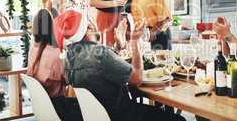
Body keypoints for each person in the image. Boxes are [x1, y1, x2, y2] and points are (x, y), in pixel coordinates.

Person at [53, 9, 186, 121]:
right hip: (120, 115)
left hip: (96, 115)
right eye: (90, 21)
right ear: (87, 28)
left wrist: (118, 46)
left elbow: (100, 69)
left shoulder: (69, 56)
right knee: (178, 119)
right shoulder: (100, 54)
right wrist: (134, 42)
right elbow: (137, 78)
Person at [27, 0, 82, 120]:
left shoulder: (33, 49)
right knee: (86, 108)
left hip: (42, 107)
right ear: (53, 27)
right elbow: (70, 80)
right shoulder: (56, 54)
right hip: (57, 107)